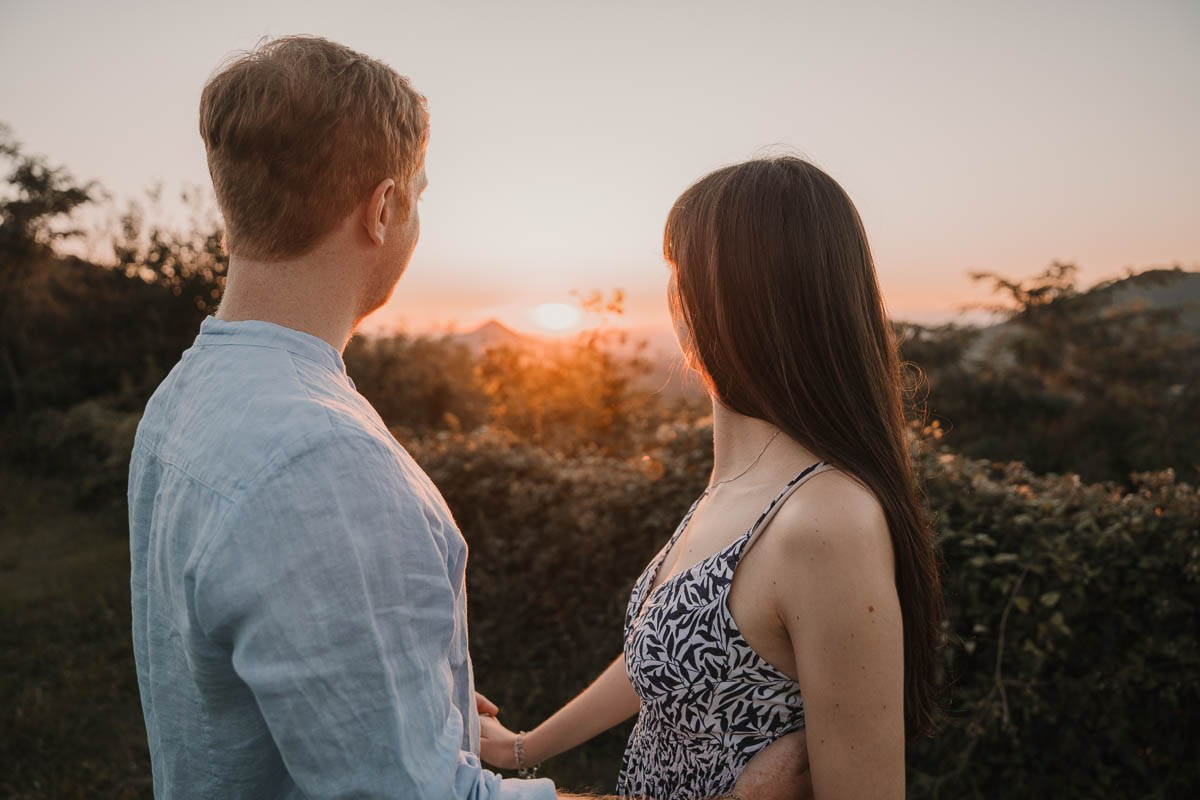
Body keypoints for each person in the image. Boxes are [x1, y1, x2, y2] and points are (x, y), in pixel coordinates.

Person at [128, 35, 810, 800]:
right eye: (418, 192)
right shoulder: (322, 458)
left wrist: (423, 707)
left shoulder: (184, 399)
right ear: (384, 209)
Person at [479, 157, 945, 799]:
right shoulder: (736, 486)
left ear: (737, 301)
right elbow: (666, 649)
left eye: (681, 275)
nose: (672, 299)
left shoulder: (825, 519)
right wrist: (524, 746)